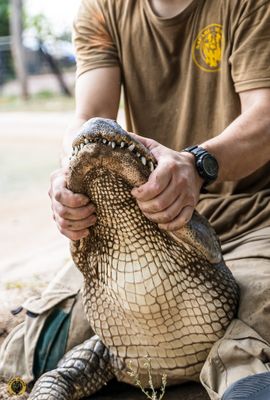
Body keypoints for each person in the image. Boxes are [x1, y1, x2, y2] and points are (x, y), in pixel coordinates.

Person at [48, 0, 270, 399]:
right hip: (150, 221)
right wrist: (68, 176)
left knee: (256, 325)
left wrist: (198, 163)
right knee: (46, 338)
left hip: (255, 212)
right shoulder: (102, 8)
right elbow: (91, 117)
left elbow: (266, 119)